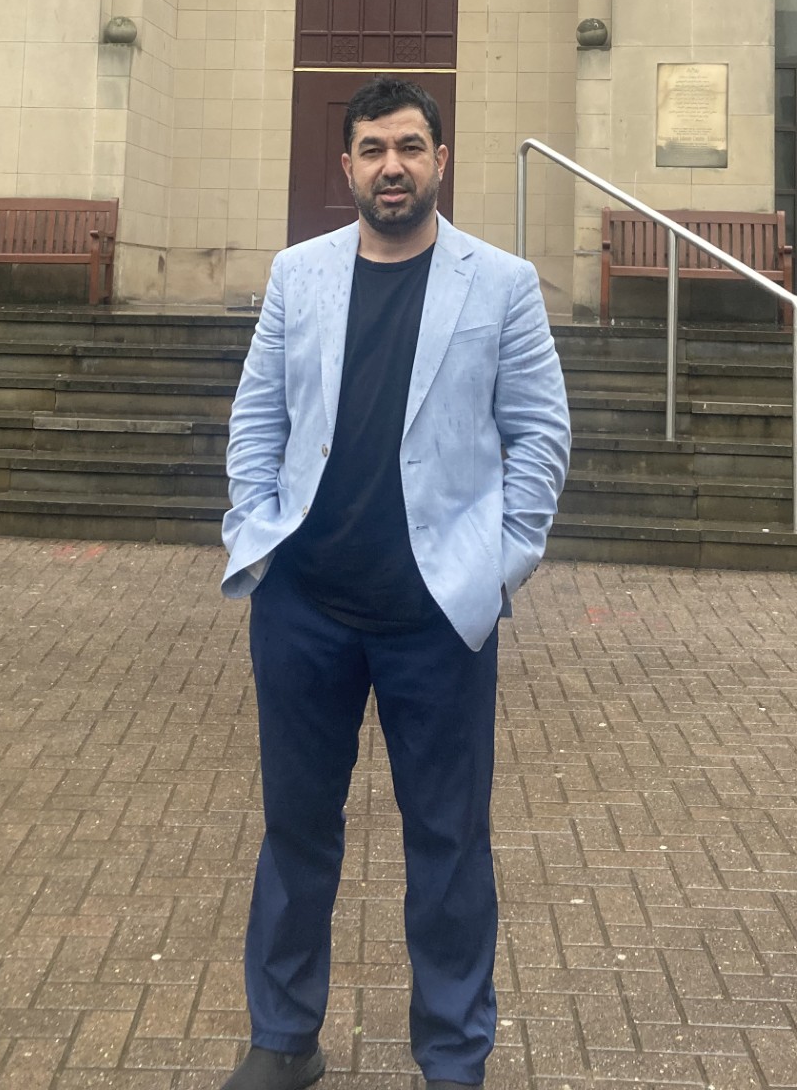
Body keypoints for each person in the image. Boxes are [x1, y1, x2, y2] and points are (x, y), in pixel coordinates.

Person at [218, 74, 571, 1090]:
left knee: (449, 843)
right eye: (372, 149)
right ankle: (284, 1040)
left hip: (435, 618)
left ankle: (453, 1055)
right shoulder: (300, 274)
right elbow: (257, 420)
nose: (392, 166)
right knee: (295, 832)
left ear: (440, 160)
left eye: (410, 146)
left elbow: (541, 435)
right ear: (347, 167)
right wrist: (256, 531)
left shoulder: (499, 283)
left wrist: (497, 564)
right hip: (304, 609)